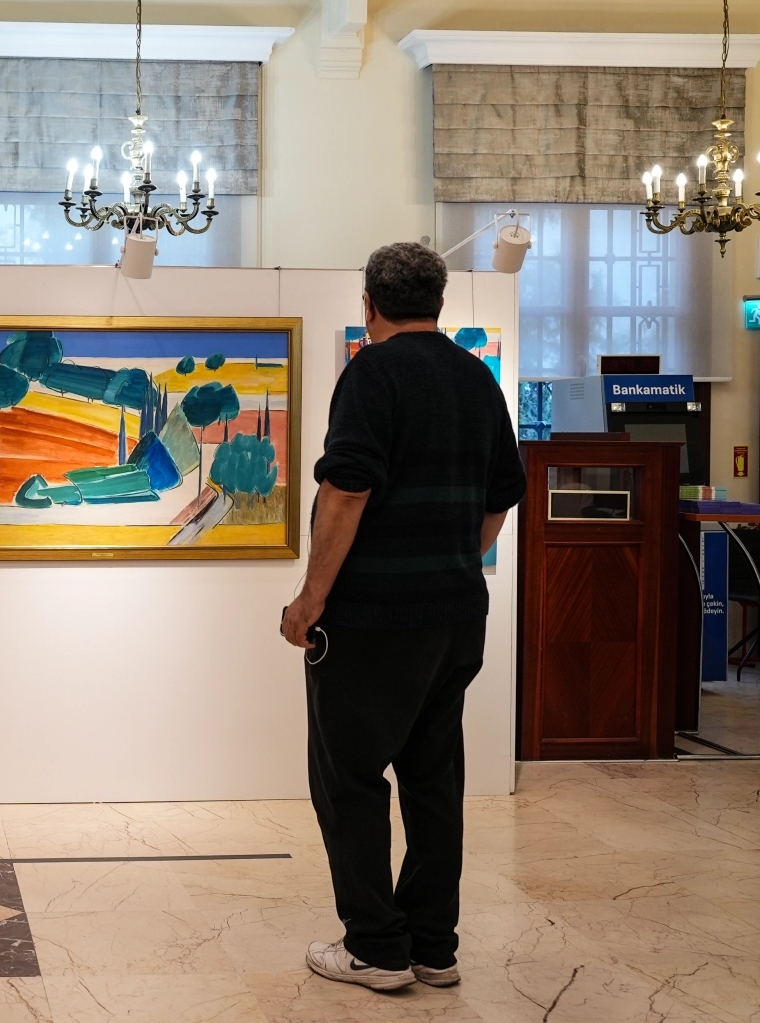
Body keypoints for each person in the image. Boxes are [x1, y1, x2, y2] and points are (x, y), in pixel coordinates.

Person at [281, 241, 527, 992]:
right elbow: (501, 497)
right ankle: (432, 946)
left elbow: (347, 491)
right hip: (455, 618)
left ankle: (377, 948)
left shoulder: (372, 372)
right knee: (433, 780)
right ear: (440, 303)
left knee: (349, 780)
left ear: (369, 304)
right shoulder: (476, 378)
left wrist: (311, 598)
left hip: (373, 620)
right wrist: (452, 559)